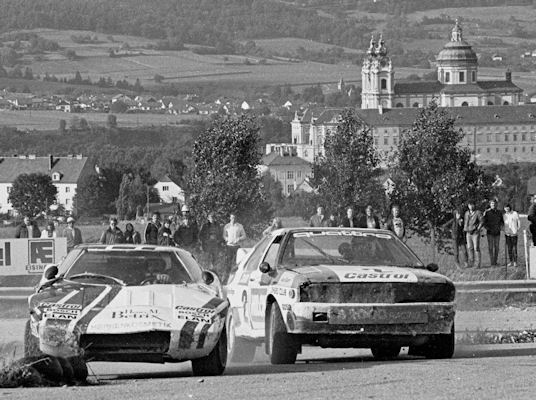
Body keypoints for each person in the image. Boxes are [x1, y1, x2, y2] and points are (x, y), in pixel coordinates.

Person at [482, 199, 503, 266]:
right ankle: (492, 262)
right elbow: (484, 222)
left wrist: (500, 227)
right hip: (490, 233)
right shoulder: (487, 213)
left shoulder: (499, 212)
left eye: (494, 204)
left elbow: (502, 222)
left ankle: (495, 261)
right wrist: (487, 228)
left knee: (496, 248)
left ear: (496, 204)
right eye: (492, 204)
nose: (493, 205)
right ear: (490, 204)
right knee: (490, 248)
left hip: (497, 233)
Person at [464, 201, 483, 268]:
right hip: (468, 232)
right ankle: (471, 263)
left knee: (476, 248)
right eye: (469, 205)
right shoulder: (466, 213)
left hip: (475, 233)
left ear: (474, 205)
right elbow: (465, 222)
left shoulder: (478, 212)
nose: (471, 206)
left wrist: (478, 229)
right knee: (469, 248)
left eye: (472, 205)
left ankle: (477, 264)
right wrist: (465, 229)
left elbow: (481, 221)